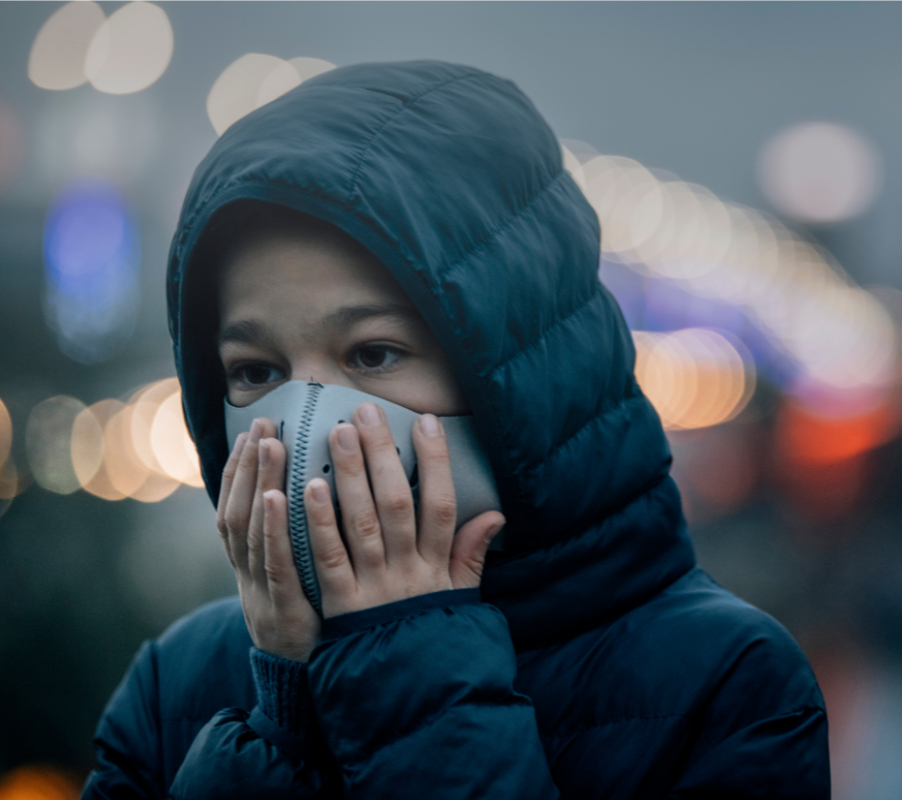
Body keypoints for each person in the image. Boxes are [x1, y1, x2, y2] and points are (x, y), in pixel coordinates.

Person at [82, 60, 830, 798]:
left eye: (373, 354)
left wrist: (409, 677)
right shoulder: (172, 682)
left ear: (512, 367)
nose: (310, 422)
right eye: (255, 371)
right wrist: (281, 717)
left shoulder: (728, 683)